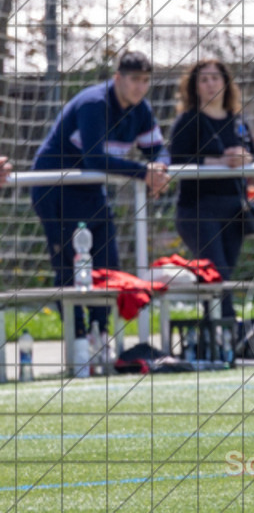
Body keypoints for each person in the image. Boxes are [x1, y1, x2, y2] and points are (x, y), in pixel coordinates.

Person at [30, 51, 171, 340]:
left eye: (145, 81)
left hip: (91, 191)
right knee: (69, 266)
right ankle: (78, 339)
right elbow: (95, 159)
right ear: (117, 78)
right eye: (134, 79)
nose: (139, 87)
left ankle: (101, 334)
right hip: (56, 189)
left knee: (108, 264)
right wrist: (144, 172)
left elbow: (158, 149)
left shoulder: (141, 109)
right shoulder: (95, 104)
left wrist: (159, 167)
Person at [169, 59, 254, 329]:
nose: (210, 85)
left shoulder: (237, 121)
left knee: (224, 276)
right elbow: (176, 159)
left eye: (215, 78)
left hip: (233, 209)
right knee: (215, 274)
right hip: (198, 209)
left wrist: (244, 158)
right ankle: (230, 329)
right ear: (194, 87)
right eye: (204, 80)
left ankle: (216, 335)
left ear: (226, 83)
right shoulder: (188, 120)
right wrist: (218, 161)